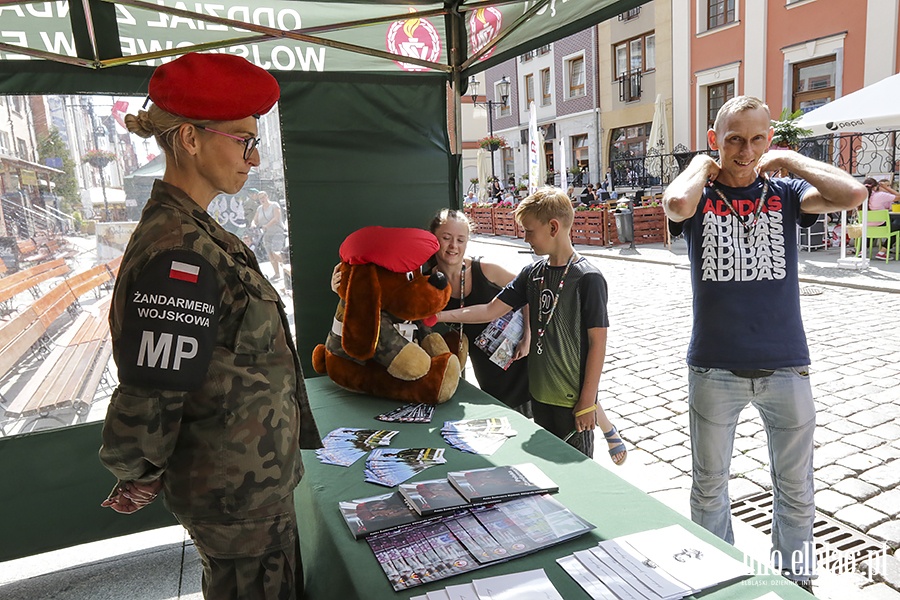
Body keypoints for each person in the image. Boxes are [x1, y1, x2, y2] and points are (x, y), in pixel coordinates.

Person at [99, 52, 321, 600]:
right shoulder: (180, 250)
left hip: (249, 486)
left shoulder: (196, 233)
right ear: (190, 140)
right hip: (234, 495)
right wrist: (138, 468)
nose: (253, 156)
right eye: (243, 140)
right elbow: (154, 387)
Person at [662, 95, 867, 593]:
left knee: (795, 490)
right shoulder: (702, 196)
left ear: (768, 140)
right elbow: (675, 205)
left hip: (785, 365)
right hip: (714, 367)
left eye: (756, 138)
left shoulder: (789, 192)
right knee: (709, 488)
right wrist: (697, 164)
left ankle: (795, 583)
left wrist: (790, 158)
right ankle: (717, 580)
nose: (745, 149)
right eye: (733, 138)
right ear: (716, 140)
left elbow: (853, 194)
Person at [435, 188, 626, 464]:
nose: (525, 239)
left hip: (571, 401)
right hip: (539, 396)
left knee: (577, 469)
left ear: (553, 227)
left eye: (529, 231)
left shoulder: (588, 278)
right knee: (548, 467)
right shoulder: (532, 274)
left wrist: (588, 402)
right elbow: (490, 310)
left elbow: (598, 343)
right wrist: (440, 317)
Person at [428, 209, 532, 417]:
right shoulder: (427, 282)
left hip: (519, 354)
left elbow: (528, 293)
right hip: (486, 365)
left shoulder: (487, 270)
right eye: (446, 238)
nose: (453, 246)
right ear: (434, 239)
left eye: (460, 240)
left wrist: (528, 335)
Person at [251, 190, 286, 280]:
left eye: (263, 197)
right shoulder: (259, 208)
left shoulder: (274, 205)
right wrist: (253, 224)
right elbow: (255, 219)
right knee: (270, 254)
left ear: (267, 196)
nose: (262, 199)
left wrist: (266, 226)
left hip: (277, 232)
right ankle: (277, 273)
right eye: (260, 198)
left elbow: (276, 218)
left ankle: (286, 267)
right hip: (266, 234)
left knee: (276, 252)